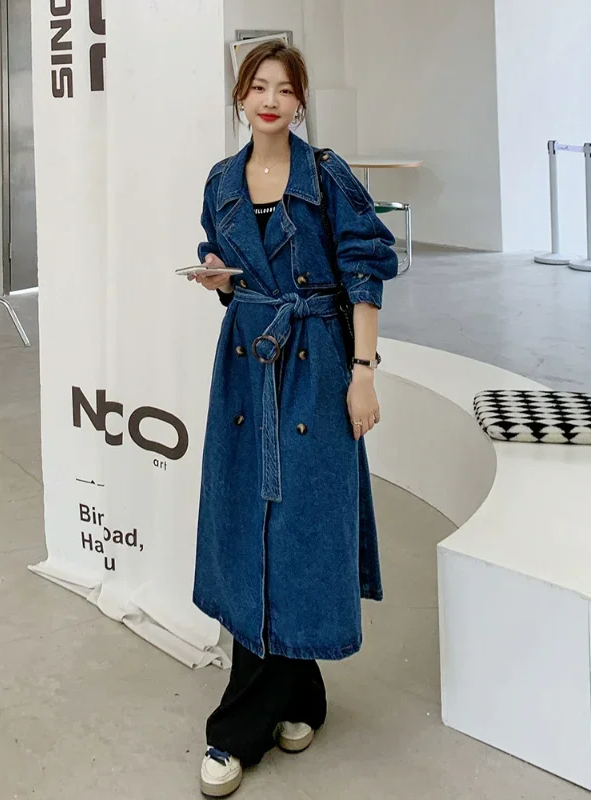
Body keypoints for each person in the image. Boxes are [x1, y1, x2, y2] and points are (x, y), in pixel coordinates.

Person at [189, 40, 399, 797]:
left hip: (317, 365)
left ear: (301, 102)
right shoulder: (221, 180)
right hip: (247, 366)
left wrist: (363, 372)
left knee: (300, 523)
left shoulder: (327, 174)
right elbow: (228, 264)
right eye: (257, 87)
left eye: (283, 89)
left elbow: (366, 268)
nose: (269, 100)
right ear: (240, 97)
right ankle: (301, 696)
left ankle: (235, 728)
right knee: (251, 521)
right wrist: (220, 279)